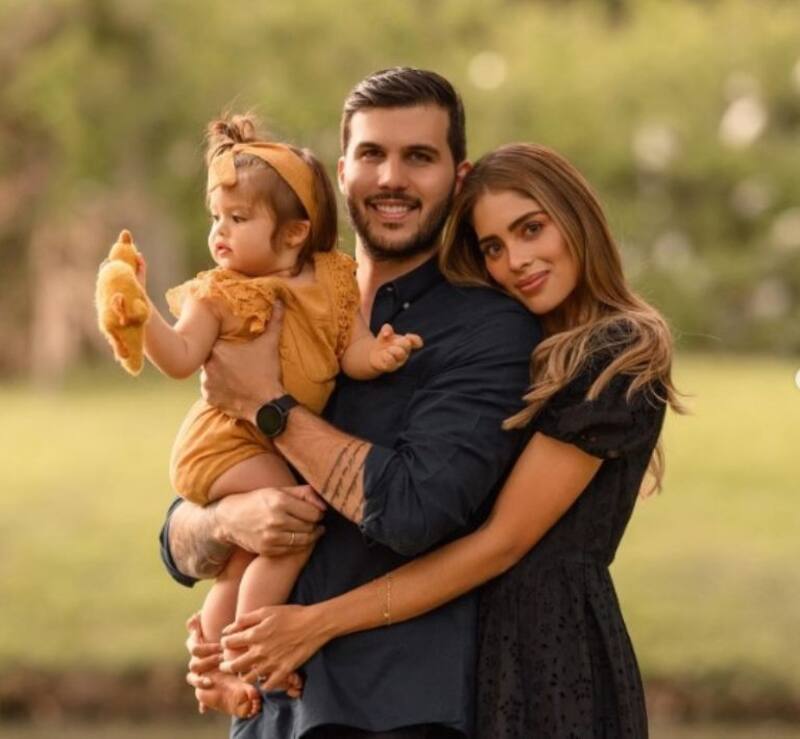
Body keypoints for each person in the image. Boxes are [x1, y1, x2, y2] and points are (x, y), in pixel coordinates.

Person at [207, 143, 686, 738]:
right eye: (493, 248)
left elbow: (501, 543)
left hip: (551, 655)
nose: (517, 261)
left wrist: (317, 623)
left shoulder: (616, 355)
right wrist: (225, 620)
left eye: (531, 229)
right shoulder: (516, 345)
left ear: (576, 218)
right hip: (474, 648)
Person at [159, 69, 541, 737]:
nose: (391, 177)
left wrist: (267, 404)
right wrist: (230, 521)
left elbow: (414, 512)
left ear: (458, 177)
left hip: (392, 712)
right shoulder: (269, 298)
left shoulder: (490, 331)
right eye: (371, 154)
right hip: (269, 715)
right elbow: (177, 536)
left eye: (418, 156)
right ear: (341, 172)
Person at [134, 113, 422, 718]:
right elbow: (180, 358)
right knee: (290, 525)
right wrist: (141, 317)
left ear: (294, 234)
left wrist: (379, 354)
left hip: (259, 442)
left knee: (244, 557)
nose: (219, 233)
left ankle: (218, 664)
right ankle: (254, 651)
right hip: (225, 443)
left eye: (238, 219)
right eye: (216, 218)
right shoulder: (223, 293)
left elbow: (351, 349)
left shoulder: (333, 281)